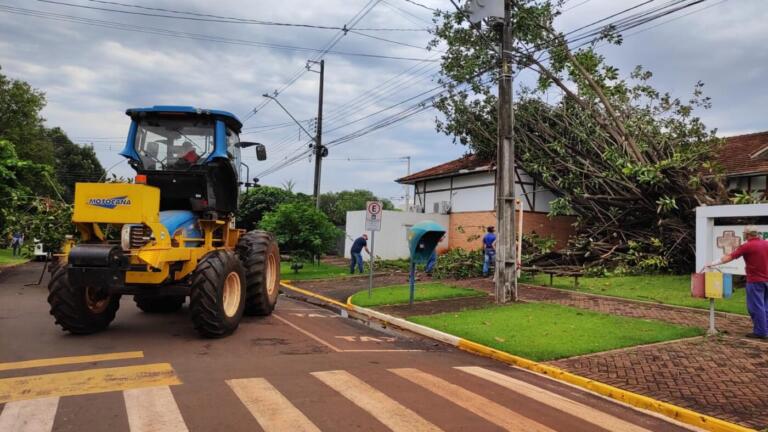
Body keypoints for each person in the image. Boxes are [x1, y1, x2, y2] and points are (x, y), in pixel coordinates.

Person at [707, 225, 768, 339]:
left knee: (756, 307)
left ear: (748, 234)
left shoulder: (747, 246)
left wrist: (712, 263)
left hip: (755, 281)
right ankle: (765, 329)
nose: (743, 234)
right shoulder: (766, 244)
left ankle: (761, 332)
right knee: (766, 306)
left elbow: (729, 257)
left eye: (744, 233)